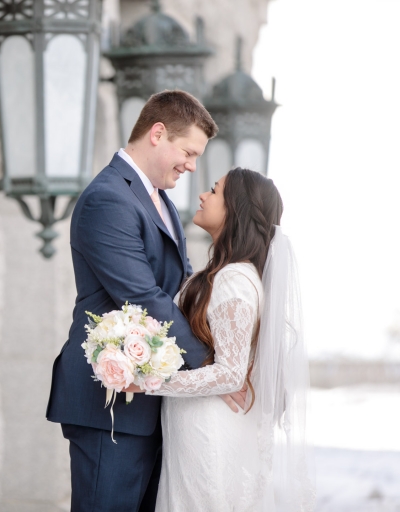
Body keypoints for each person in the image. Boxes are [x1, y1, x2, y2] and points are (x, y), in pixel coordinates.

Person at [46, 90, 228, 512]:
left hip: (148, 399)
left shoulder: (160, 199)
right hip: (108, 404)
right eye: (188, 152)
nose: (192, 166)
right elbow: (143, 296)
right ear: (157, 133)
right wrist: (212, 366)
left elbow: (177, 286)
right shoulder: (108, 198)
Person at [126, 169, 314, 511]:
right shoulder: (222, 275)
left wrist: (147, 382)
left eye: (214, 191)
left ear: (235, 210)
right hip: (195, 426)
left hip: (209, 430)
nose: (202, 195)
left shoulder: (234, 280)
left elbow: (230, 373)